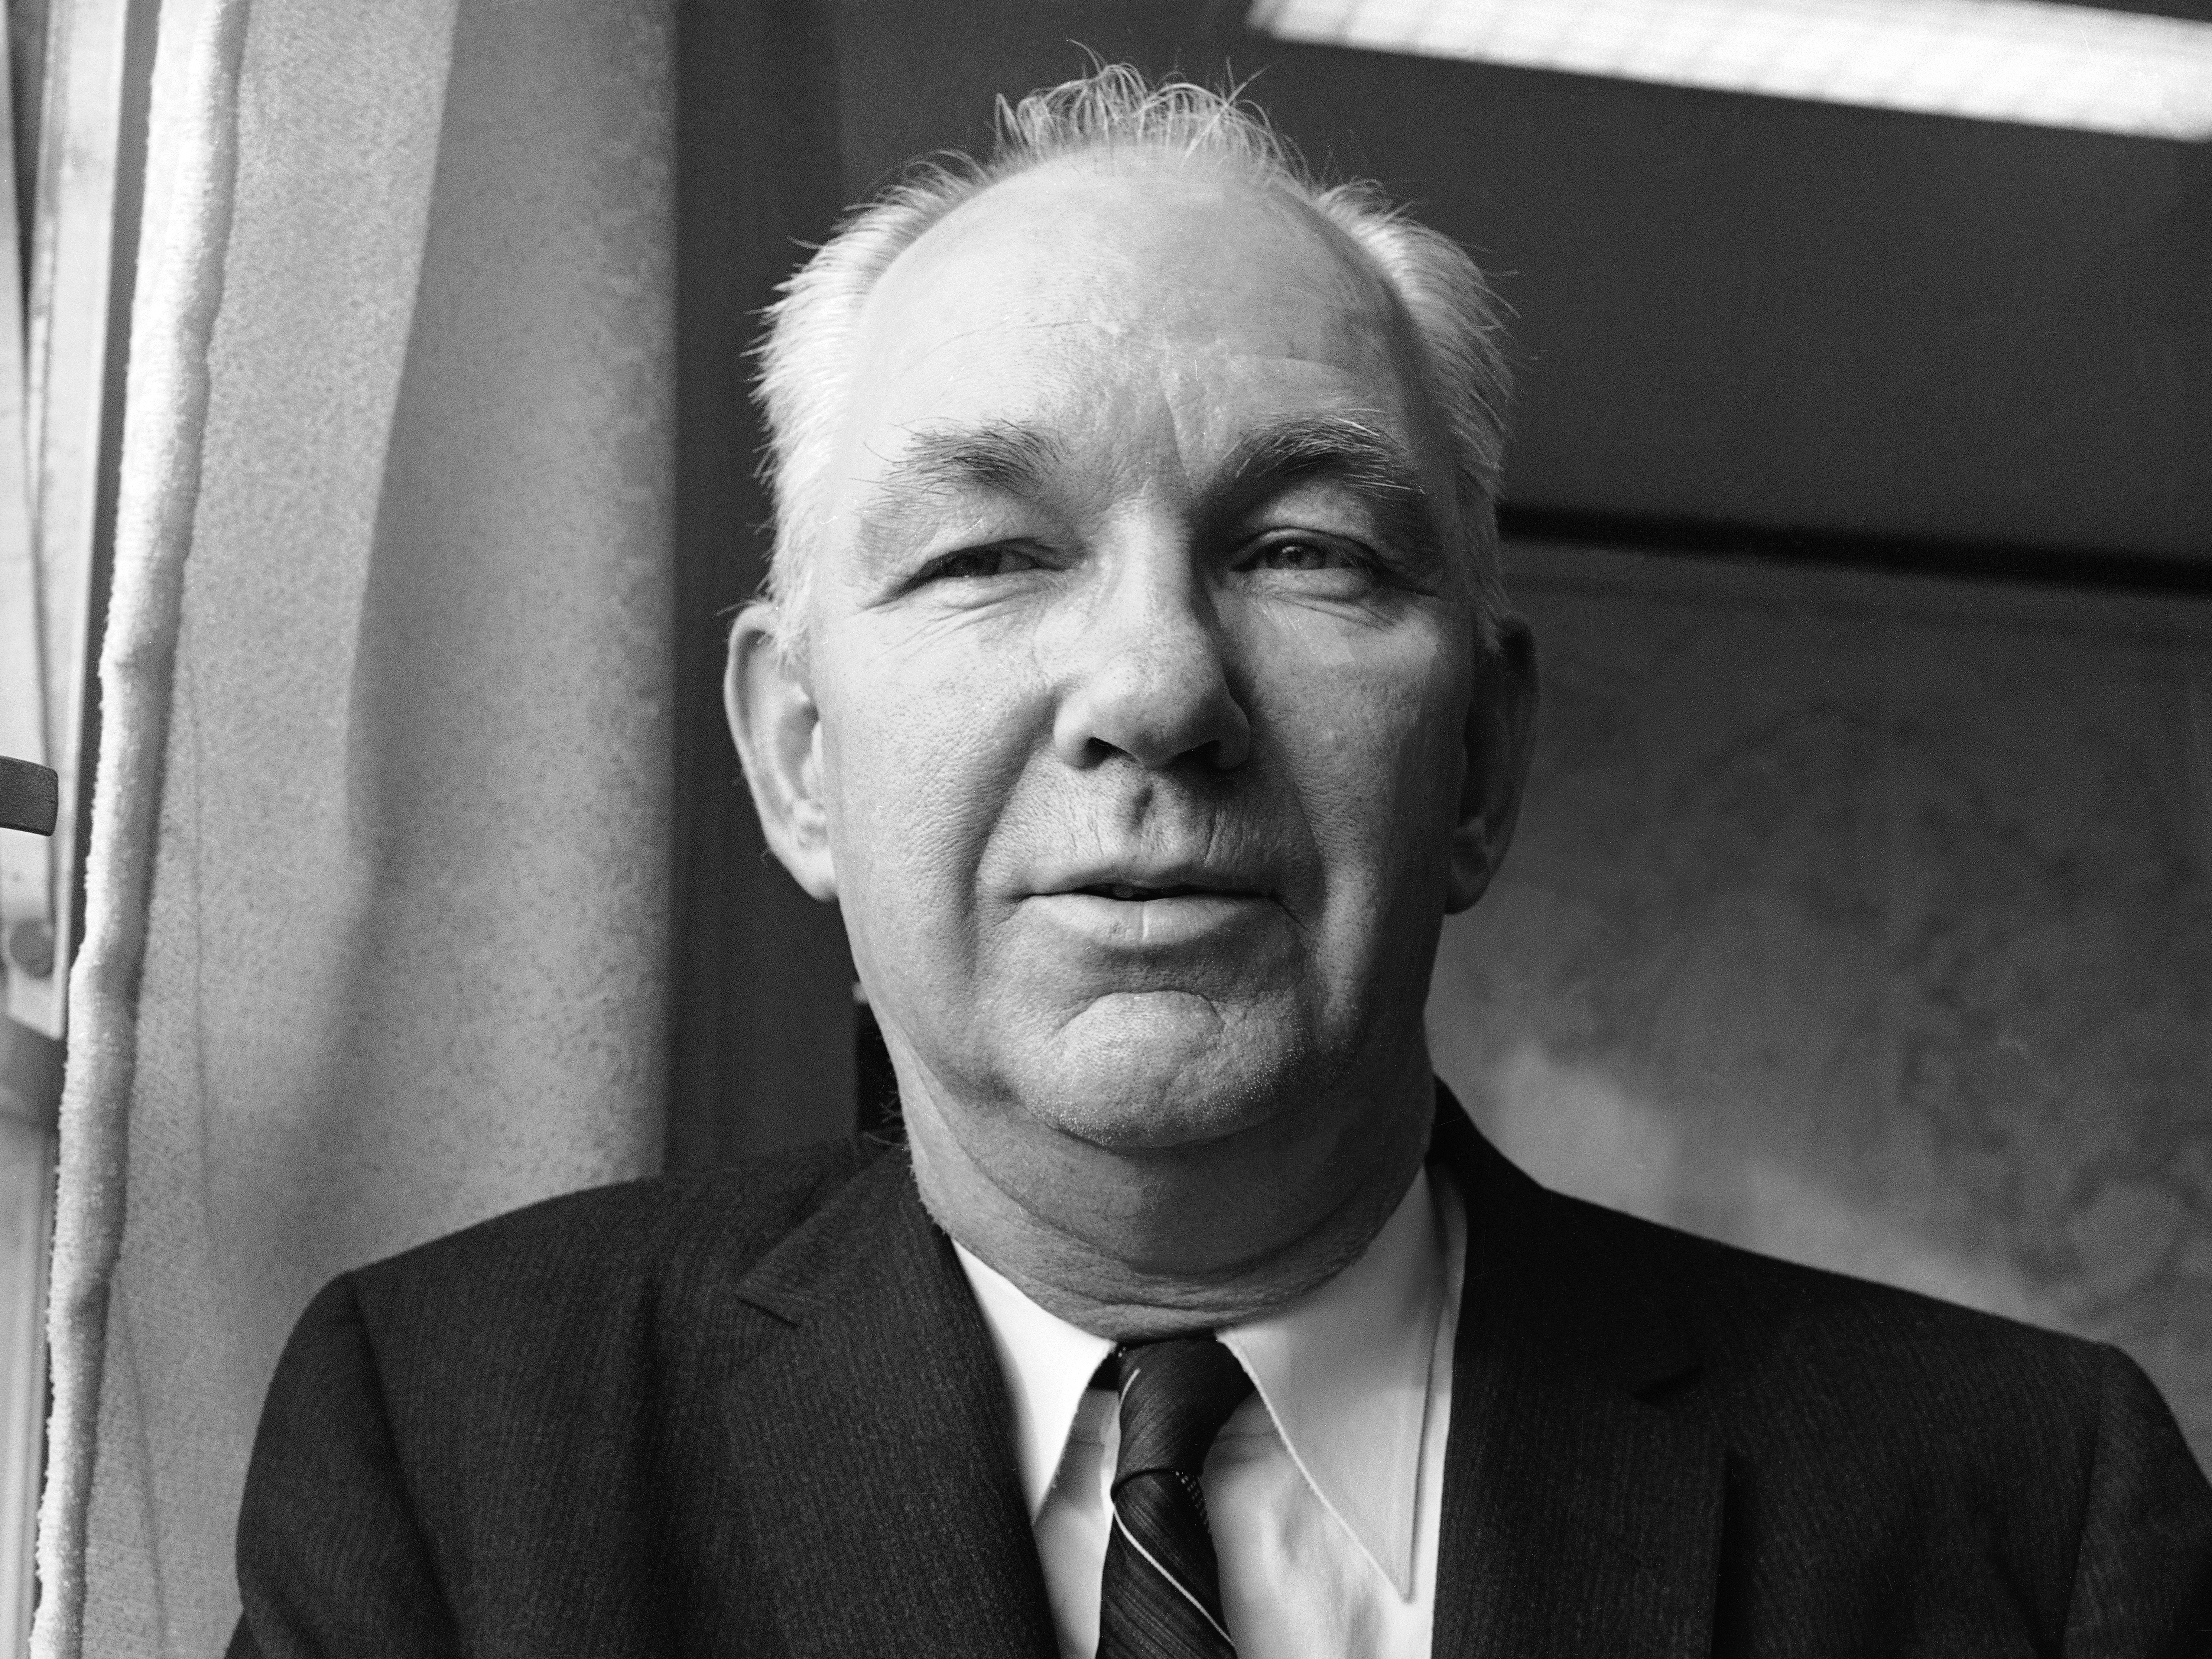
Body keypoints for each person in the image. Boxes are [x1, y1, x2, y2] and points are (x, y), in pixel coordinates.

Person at [228, 66, 2212, 1658]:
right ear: (798, 755)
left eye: (1304, 550)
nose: (1158, 687)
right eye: (993, 552)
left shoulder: (2023, 1513)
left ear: (1482, 758)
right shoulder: (454, 1452)